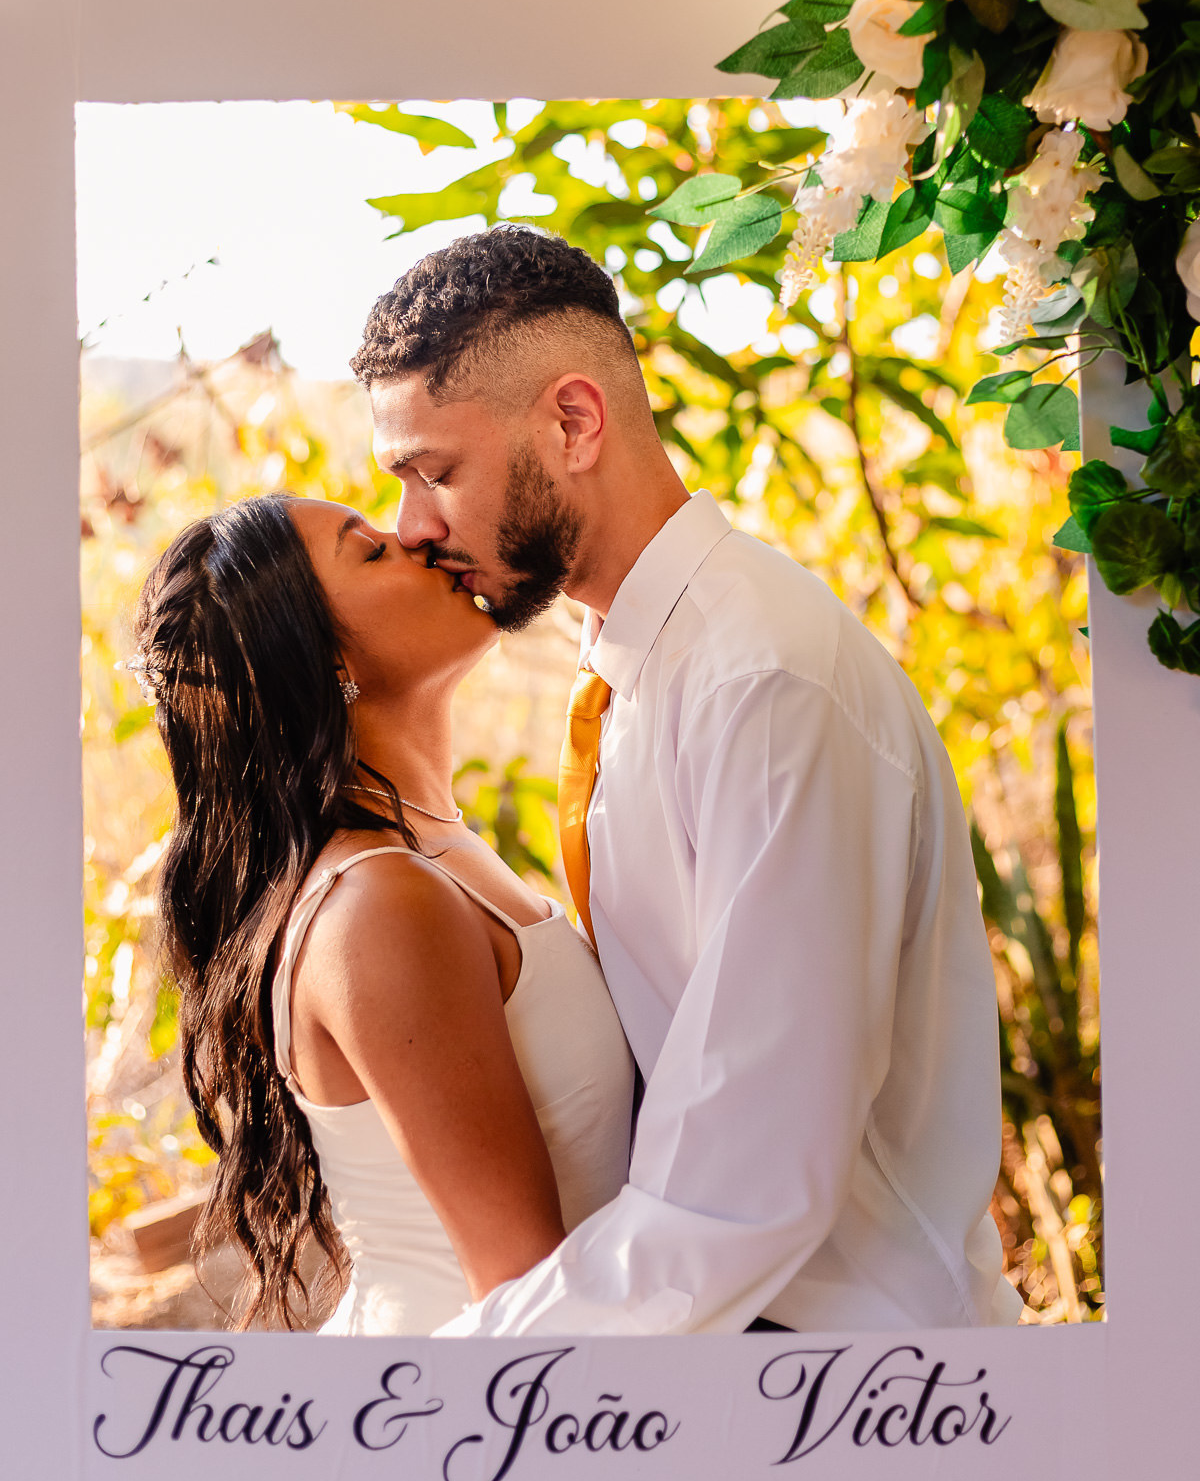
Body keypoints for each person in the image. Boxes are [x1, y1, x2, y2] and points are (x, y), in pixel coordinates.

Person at [350, 222, 1024, 1335]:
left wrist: (462, 1369)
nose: (416, 528)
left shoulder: (765, 683)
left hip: (858, 1383)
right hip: (745, 1358)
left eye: (437, 471)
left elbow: (744, 1185)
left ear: (574, 422)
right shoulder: (636, 662)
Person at [130, 493, 633, 1334]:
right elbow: (523, 1282)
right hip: (470, 1409)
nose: (418, 539)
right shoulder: (381, 903)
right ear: (322, 660)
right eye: (370, 551)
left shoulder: (436, 852)